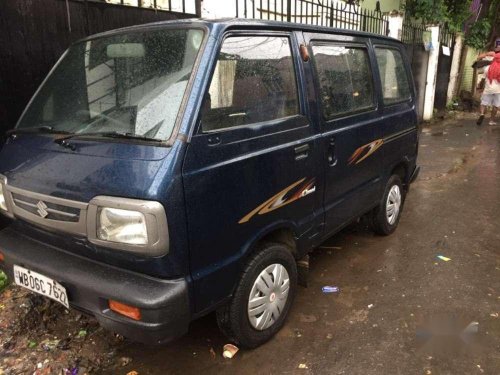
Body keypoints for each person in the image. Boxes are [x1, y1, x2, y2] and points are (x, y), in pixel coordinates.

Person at [477, 46, 500, 126]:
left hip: (488, 88)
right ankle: (491, 120)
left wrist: (480, 87)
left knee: (483, 103)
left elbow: (483, 78)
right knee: (496, 105)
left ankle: (482, 114)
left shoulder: (487, 67)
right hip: (498, 90)